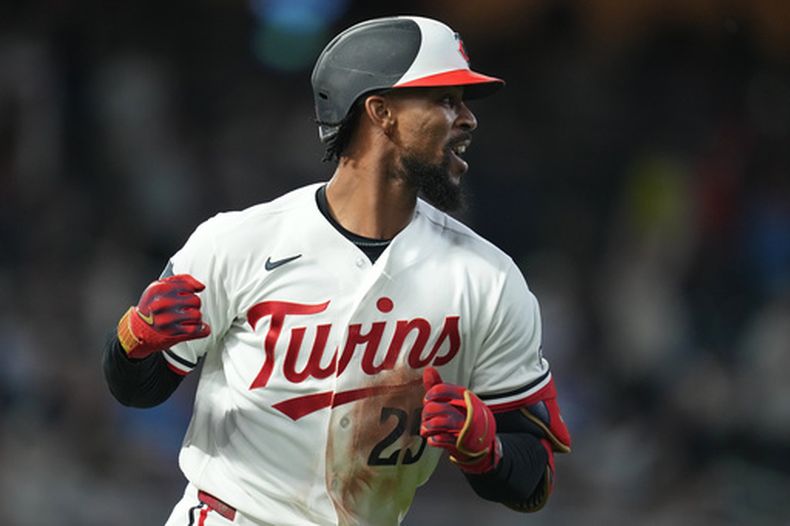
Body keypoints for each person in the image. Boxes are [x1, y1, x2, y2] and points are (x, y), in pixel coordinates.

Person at [103, 15, 571, 526]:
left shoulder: (488, 280)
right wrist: (133, 341)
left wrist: (491, 456)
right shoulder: (237, 241)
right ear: (381, 112)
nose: (467, 118)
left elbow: (536, 478)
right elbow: (138, 389)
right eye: (444, 99)